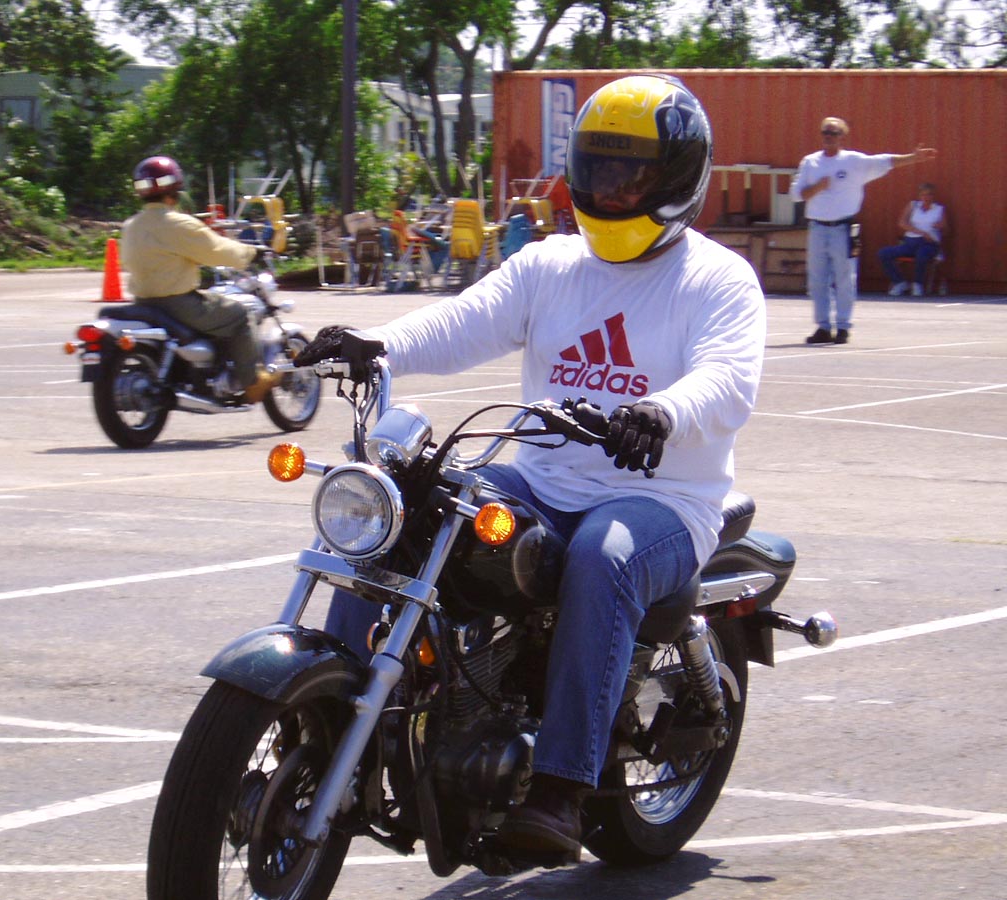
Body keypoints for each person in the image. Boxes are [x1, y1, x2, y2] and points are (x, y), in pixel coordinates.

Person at [295, 75, 765, 858]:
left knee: (604, 556)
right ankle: (341, 712)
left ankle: (559, 790)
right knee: (406, 510)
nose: (612, 189)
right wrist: (376, 345)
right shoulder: (550, 265)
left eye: (633, 174)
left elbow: (728, 378)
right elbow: (463, 321)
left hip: (664, 499)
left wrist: (661, 412)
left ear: (678, 179)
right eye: (600, 169)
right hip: (541, 482)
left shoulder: (715, 279)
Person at [119, 155, 279, 403]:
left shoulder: (131, 226)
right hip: (179, 304)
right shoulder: (178, 224)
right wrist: (251, 253)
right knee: (239, 315)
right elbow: (216, 250)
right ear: (174, 189)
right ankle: (252, 382)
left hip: (142, 302)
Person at [790, 117, 937, 346]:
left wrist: (913, 158)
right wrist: (818, 187)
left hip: (843, 228)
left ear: (842, 137)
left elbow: (885, 161)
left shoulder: (853, 161)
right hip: (817, 227)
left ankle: (843, 326)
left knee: (844, 278)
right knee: (817, 280)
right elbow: (796, 195)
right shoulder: (811, 162)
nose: (828, 136)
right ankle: (823, 326)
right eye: (825, 132)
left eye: (833, 133)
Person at [877, 182, 946, 297]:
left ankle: (918, 284)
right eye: (923, 194)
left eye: (929, 194)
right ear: (919, 195)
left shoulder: (939, 209)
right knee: (884, 253)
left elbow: (945, 227)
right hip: (911, 241)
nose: (926, 197)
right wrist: (920, 232)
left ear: (933, 196)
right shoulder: (913, 205)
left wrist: (939, 226)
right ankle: (899, 282)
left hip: (929, 243)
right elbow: (902, 223)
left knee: (922, 254)